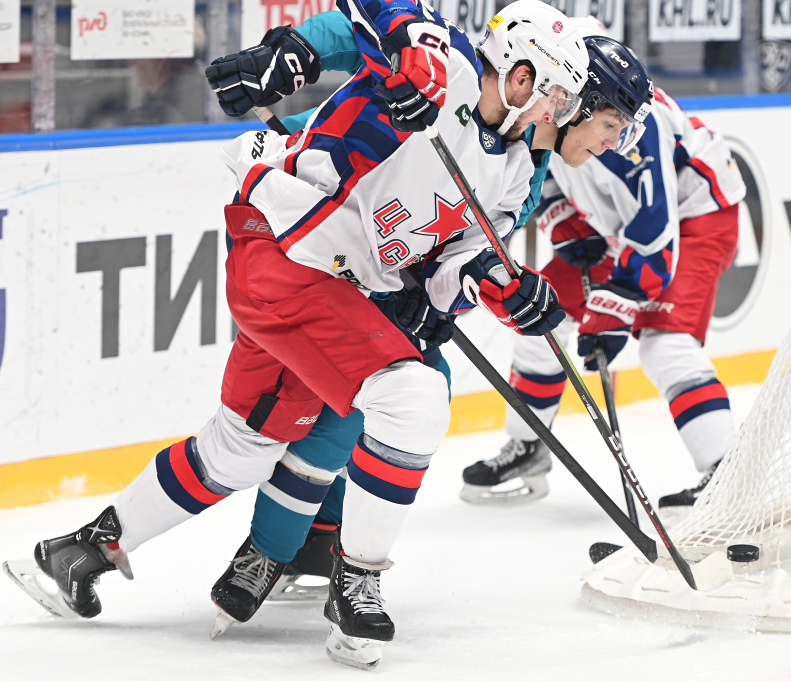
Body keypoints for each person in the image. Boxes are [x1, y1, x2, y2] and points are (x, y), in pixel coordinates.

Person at [4, 0, 588, 670]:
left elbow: (449, 269)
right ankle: (356, 581)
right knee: (413, 396)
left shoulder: (514, 169)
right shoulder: (446, 60)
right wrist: (302, 55)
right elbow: (373, 10)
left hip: (323, 287)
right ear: (521, 76)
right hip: (284, 246)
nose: (560, 115)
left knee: (242, 447)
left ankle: (81, 551)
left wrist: (504, 288)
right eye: (558, 97)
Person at [193, 12, 655, 639]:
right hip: (319, 220)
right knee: (362, 410)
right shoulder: (495, 91)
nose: (610, 145)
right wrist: (294, 52)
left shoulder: (529, 147)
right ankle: (271, 549)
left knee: (404, 398)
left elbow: (475, 235)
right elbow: (377, 33)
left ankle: (317, 537)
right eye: (607, 125)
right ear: (565, 98)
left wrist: (449, 301)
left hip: (391, 260)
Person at [461, 32, 747, 509]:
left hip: (697, 216)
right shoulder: (545, 106)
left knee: (664, 344)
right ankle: (530, 445)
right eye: (611, 125)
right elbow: (537, 170)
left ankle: (727, 475)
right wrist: (566, 222)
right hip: (619, 223)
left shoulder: (635, 137)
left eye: (621, 126)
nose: (617, 139)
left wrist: (614, 311)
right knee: (541, 319)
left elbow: (654, 235)